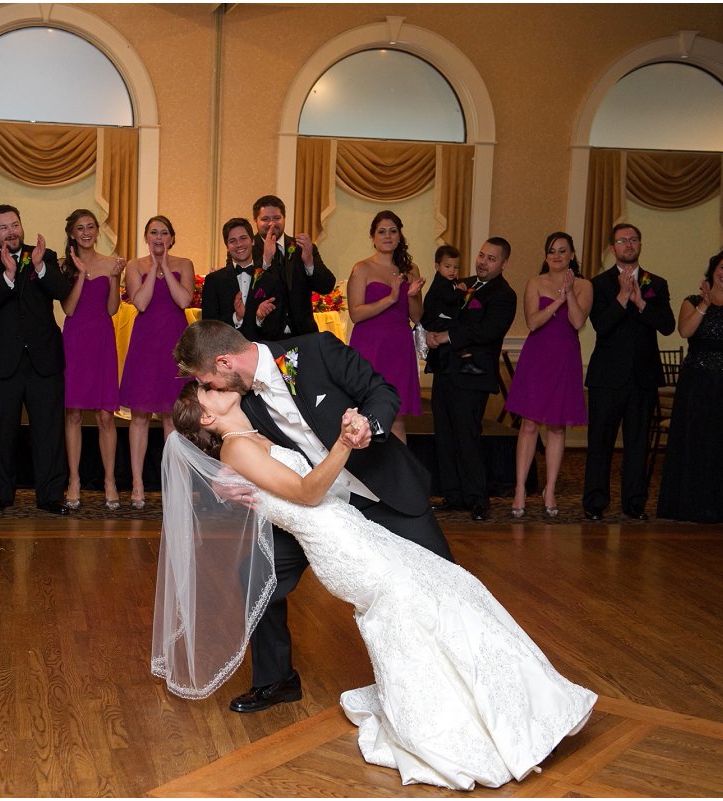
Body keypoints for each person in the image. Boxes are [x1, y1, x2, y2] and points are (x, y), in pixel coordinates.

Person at [153, 385, 596, 788]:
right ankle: (466, 725)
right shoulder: (236, 449)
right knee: (418, 605)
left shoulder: (250, 440)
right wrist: (344, 444)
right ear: (208, 418)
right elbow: (307, 494)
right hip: (342, 549)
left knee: (451, 588)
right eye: (208, 390)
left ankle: (522, 706)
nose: (217, 384)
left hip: (353, 531)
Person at [172, 320, 453, 714]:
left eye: (208, 381)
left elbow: (382, 392)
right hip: (317, 508)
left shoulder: (316, 350)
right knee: (257, 576)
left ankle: (458, 671)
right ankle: (277, 679)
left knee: (444, 582)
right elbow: (218, 441)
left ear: (224, 363)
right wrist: (220, 481)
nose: (211, 390)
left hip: (381, 491)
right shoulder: (241, 399)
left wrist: (367, 426)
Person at [0, 204, 71, 515]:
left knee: (49, 431)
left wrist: (39, 268)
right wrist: (9, 276)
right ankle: (0, 494)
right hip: (1, 362)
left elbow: (62, 291)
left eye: (14, 224)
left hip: (44, 360)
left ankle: (51, 495)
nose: (11, 231)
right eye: (3, 227)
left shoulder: (45, 256)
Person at [657, 248, 723, 523]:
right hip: (698, 383)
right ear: (713, 269)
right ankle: (691, 506)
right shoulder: (692, 301)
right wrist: (705, 305)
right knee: (697, 443)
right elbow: (685, 331)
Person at [582, 224, 675, 521]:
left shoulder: (655, 283)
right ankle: (595, 502)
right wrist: (623, 297)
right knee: (600, 442)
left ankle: (634, 503)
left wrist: (641, 302)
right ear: (613, 248)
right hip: (606, 377)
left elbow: (667, 325)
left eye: (633, 239)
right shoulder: (598, 284)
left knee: (638, 443)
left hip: (643, 377)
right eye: (622, 240)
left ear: (640, 245)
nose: (628, 244)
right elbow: (602, 326)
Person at [424, 238, 518, 521]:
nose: (482, 261)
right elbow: (437, 308)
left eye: (491, 258)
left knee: (467, 436)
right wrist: (429, 331)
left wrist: (447, 336)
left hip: (473, 374)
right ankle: (453, 495)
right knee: (445, 434)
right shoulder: (460, 283)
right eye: (481, 255)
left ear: (503, 263)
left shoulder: (504, 295)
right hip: (445, 369)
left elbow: (486, 331)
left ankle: (477, 498)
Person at [504, 232, 593, 518]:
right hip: (537, 356)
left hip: (565, 356)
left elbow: (577, 321)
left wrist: (569, 295)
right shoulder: (535, 282)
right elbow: (533, 322)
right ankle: (520, 488)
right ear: (546, 256)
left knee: (556, 426)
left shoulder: (584, 285)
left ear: (572, 255)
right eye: (552, 251)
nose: (556, 255)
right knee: (529, 424)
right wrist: (556, 301)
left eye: (562, 250)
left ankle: (550, 489)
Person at [118, 216, 195, 509]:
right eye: (153, 233)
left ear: (172, 238)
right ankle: (137, 483)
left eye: (164, 233)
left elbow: (183, 301)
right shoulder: (134, 266)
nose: (159, 237)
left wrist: (165, 267)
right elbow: (141, 303)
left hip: (174, 343)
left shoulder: (184, 264)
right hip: (145, 343)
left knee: (171, 416)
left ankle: (173, 483)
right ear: (146, 237)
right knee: (139, 415)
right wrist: (154, 269)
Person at [59, 209, 124, 511]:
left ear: (97, 231)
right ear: (72, 233)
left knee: (105, 416)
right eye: (79, 228)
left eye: (90, 227)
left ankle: (110, 480)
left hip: (101, 339)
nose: (85, 232)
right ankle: (74, 480)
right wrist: (82, 275)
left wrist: (114, 278)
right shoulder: (64, 266)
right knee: (72, 414)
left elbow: (112, 309)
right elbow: (69, 309)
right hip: (74, 339)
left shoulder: (112, 262)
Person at [347, 210, 425, 442]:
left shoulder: (411, 270)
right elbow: (356, 314)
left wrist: (411, 296)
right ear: (373, 237)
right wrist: (390, 298)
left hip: (399, 346)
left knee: (398, 418)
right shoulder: (361, 268)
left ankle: (398, 477)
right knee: (364, 413)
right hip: (370, 345)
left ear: (400, 236)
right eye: (382, 231)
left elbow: (417, 316)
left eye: (393, 231)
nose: (387, 236)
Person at [249, 195, 335, 337]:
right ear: (255, 221)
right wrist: (265, 259)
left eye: (277, 218)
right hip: (264, 337)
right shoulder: (246, 250)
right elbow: (245, 291)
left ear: (284, 218)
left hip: (302, 335)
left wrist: (309, 262)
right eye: (265, 219)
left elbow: (326, 286)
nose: (272, 224)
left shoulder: (302, 247)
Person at [200, 217, 286, 341]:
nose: (239, 244)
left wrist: (260, 318)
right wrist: (237, 317)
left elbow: (277, 328)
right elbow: (208, 326)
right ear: (227, 247)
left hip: (260, 353)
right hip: (225, 352)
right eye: (232, 241)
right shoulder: (214, 280)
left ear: (252, 241)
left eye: (243, 238)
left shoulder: (270, 281)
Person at [419, 244, 477, 372]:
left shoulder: (449, 281)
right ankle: (466, 361)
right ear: (437, 266)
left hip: (439, 317)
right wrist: (461, 291)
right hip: (433, 320)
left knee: (457, 329)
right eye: (447, 266)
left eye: (456, 267)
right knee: (458, 329)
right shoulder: (441, 282)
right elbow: (448, 299)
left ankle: (465, 360)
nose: (452, 271)